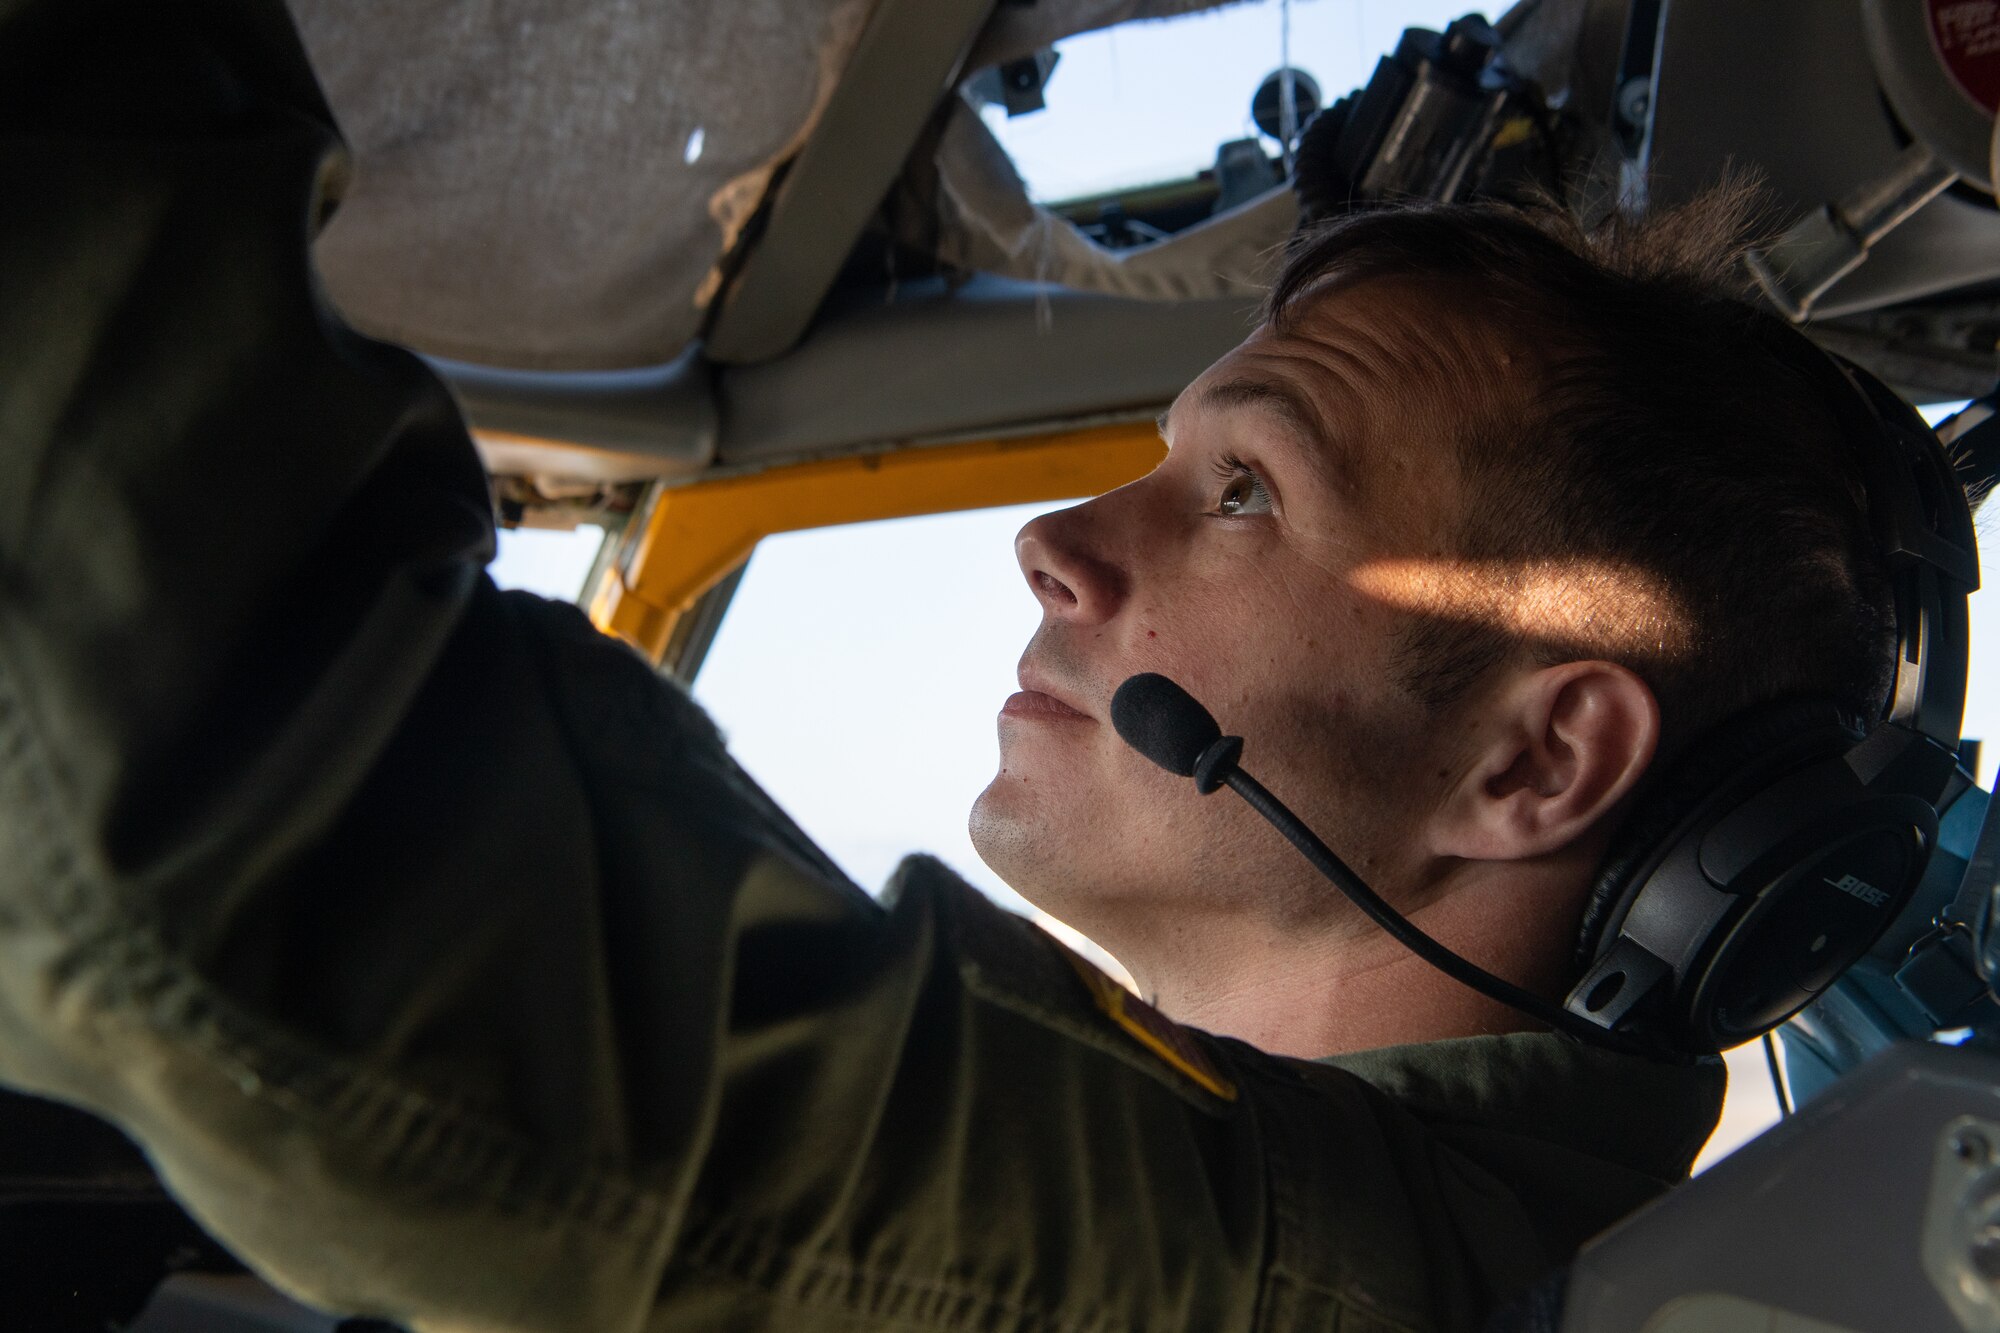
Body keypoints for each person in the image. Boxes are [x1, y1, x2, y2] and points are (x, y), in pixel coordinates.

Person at [0, 2, 1901, 1331]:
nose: (1058, 547)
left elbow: (194, 849)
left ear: (1540, 760)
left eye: (1245, 493)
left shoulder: (1306, 1284)